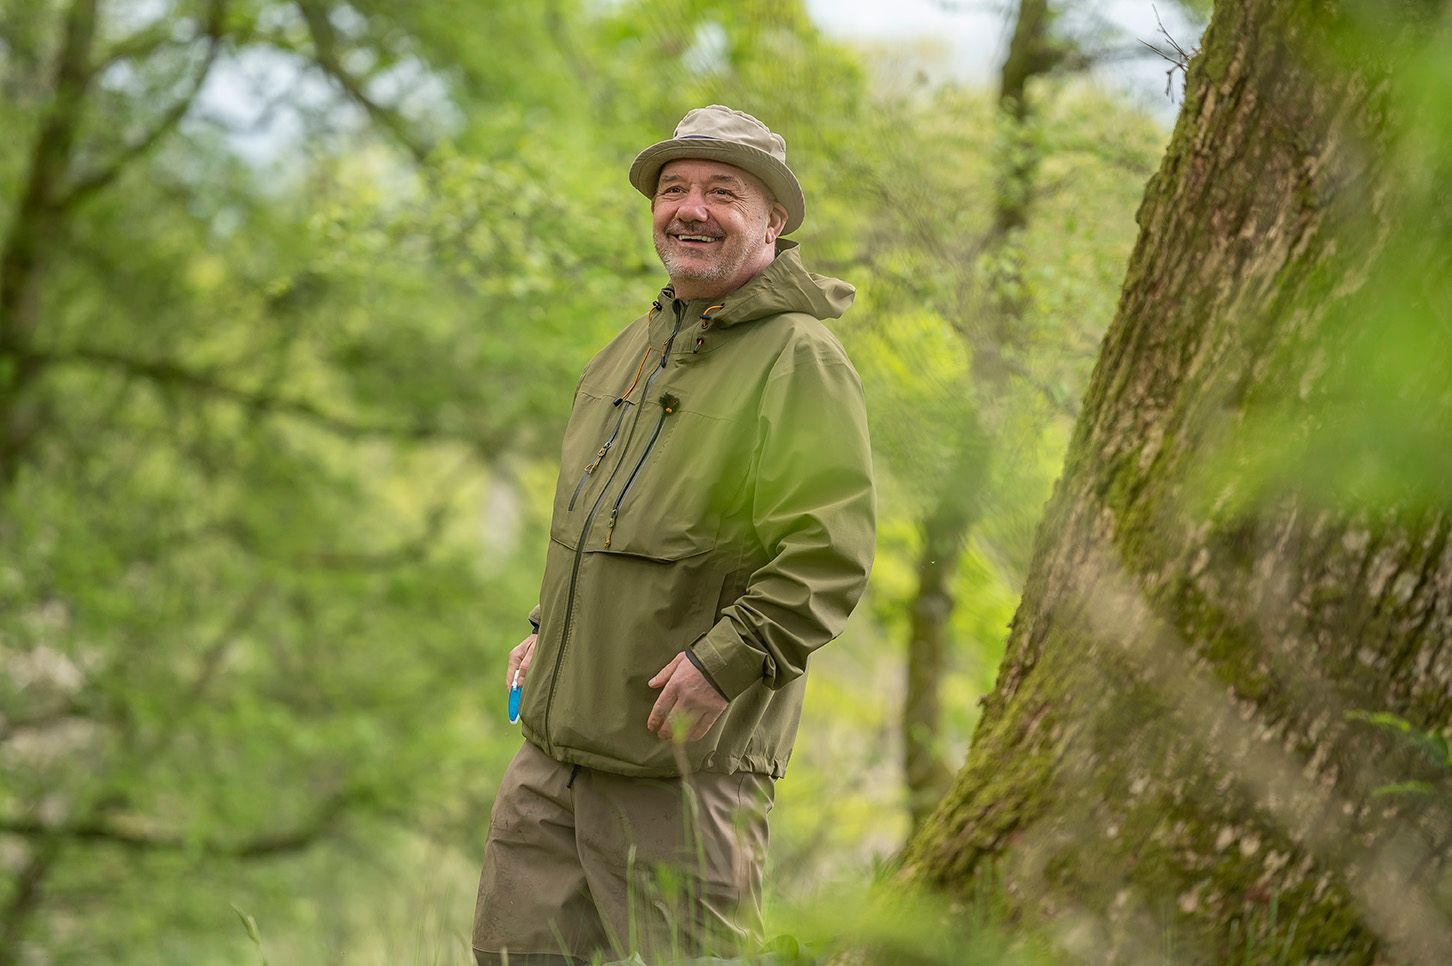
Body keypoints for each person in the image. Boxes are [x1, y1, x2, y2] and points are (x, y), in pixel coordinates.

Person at [472, 104, 876, 965]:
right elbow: (607, 525)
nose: (690, 208)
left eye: (722, 192)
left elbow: (828, 557)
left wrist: (722, 663)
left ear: (773, 220)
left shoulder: (799, 359)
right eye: (674, 189)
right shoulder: (630, 350)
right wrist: (549, 629)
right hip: (550, 766)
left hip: (684, 775)